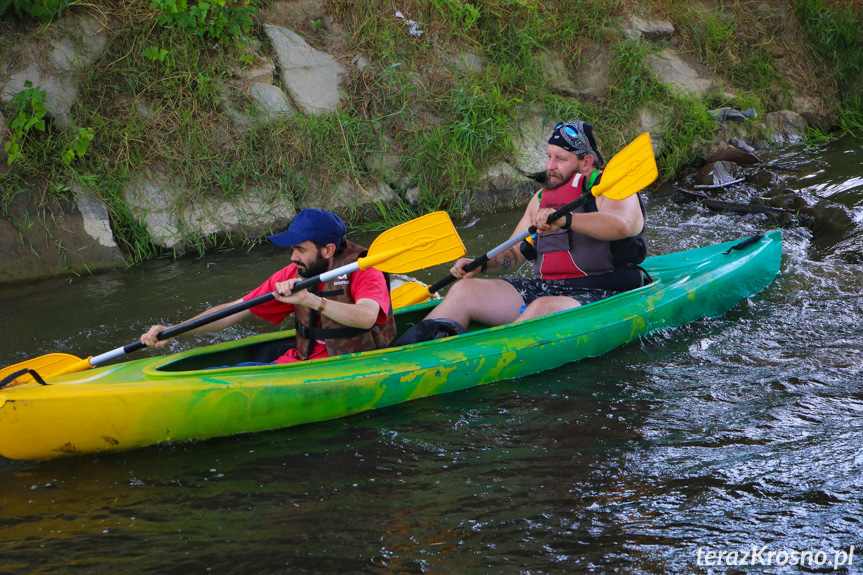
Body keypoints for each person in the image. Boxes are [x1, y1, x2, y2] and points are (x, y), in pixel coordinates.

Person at [423, 120, 648, 332]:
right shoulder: (542, 199)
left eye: (560, 158)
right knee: (465, 290)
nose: (550, 166)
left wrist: (566, 220)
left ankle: (489, 359)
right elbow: (514, 253)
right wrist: (481, 265)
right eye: (548, 156)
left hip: (605, 292)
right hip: (546, 289)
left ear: (586, 162)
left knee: (541, 308)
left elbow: (623, 225)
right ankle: (412, 350)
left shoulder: (614, 188)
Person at [140, 209, 396, 364]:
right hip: (305, 359)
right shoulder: (296, 273)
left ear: (328, 249)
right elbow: (235, 309)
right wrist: (175, 330)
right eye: (293, 249)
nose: (293, 257)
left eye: (301, 249)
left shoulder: (363, 270)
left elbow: (366, 317)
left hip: (354, 363)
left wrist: (310, 300)